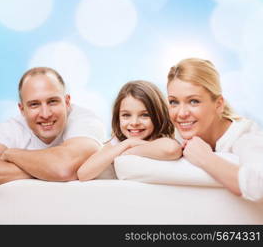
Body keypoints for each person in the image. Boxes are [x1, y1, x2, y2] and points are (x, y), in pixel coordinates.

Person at [0, 67, 106, 188]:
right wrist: (43, 171)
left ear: (67, 102)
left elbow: (63, 168)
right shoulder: (12, 128)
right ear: (22, 110)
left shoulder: (86, 121)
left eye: (52, 101)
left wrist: (11, 154)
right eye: (34, 104)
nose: (45, 114)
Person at [167, 57, 263, 201]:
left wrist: (205, 158)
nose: (181, 113)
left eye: (193, 101)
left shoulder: (245, 136)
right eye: (174, 102)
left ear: (218, 104)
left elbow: (258, 184)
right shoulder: (174, 132)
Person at [77, 80, 182, 181]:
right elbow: (83, 174)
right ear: (118, 117)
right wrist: (127, 143)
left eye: (144, 115)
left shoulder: (160, 138)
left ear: (158, 115)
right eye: (126, 115)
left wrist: (130, 148)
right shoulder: (118, 142)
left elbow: (172, 149)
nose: (134, 122)